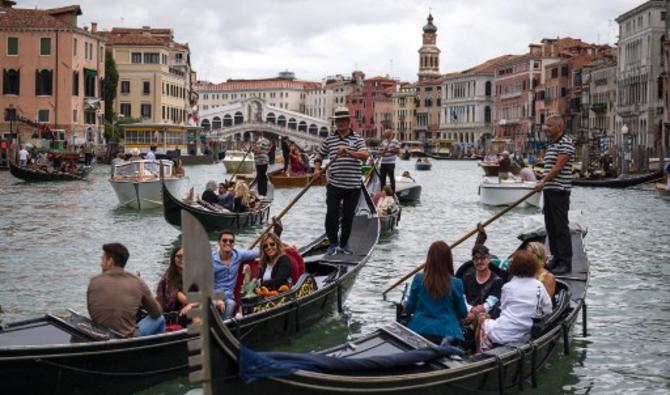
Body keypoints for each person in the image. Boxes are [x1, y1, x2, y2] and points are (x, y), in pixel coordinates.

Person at [313, 106, 369, 255]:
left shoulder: (357, 139)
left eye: (344, 120)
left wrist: (348, 152)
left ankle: (344, 243)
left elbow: (365, 155)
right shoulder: (330, 139)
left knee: (348, 216)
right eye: (338, 121)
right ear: (336, 122)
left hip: (353, 185)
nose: (341, 123)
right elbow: (319, 155)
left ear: (348, 121)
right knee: (331, 212)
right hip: (334, 184)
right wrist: (317, 169)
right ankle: (332, 242)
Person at [476, 249, 552, 352]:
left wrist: (485, 316)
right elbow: (548, 309)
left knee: (481, 320)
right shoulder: (539, 285)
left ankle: (478, 353)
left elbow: (503, 309)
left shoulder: (508, 287)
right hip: (526, 332)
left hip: (505, 332)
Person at [87, 243, 165, 337]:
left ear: (110, 261)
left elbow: (92, 312)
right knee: (160, 319)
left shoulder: (93, 281)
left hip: (100, 335)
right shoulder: (137, 282)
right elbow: (156, 312)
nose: (101, 263)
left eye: (102, 259)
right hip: (126, 338)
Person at [404, 241, 468, 345]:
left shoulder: (418, 279)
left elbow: (409, 308)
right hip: (448, 332)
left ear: (429, 259)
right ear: (448, 260)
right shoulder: (456, 283)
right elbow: (463, 313)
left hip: (419, 330)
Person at [534, 115, 575, 275]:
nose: (547, 129)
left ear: (559, 126)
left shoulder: (566, 143)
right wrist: (544, 183)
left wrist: (543, 180)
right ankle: (556, 258)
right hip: (549, 190)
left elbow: (558, 168)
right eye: (546, 126)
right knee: (550, 226)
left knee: (560, 227)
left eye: (550, 126)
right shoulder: (552, 145)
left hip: (560, 190)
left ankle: (566, 262)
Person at [212, 230, 259, 319]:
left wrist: (283, 248)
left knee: (231, 303)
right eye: (225, 240)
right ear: (219, 242)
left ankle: (223, 326)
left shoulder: (238, 255)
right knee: (229, 304)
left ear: (234, 243)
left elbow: (258, 252)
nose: (228, 243)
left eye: (231, 241)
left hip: (229, 298)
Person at [156, 246, 199, 325]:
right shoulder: (168, 279)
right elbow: (186, 300)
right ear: (173, 259)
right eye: (179, 256)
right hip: (174, 314)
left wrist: (192, 304)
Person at [462, 244, 504, 321]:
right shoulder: (466, 278)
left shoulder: (498, 281)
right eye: (476, 259)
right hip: (467, 313)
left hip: (486, 316)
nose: (479, 261)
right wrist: (470, 310)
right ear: (473, 260)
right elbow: (462, 298)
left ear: (488, 259)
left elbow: (491, 303)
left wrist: (475, 314)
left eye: (483, 258)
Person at [253, 132, 271, 197]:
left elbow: (258, 150)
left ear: (258, 134)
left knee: (260, 177)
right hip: (265, 160)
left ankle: (261, 193)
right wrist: (265, 151)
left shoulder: (259, 141)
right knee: (263, 176)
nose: (254, 137)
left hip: (260, 161)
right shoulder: (266, 140)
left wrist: (253, 148)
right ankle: (264, 192)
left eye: (255, 135)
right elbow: (269, 148)